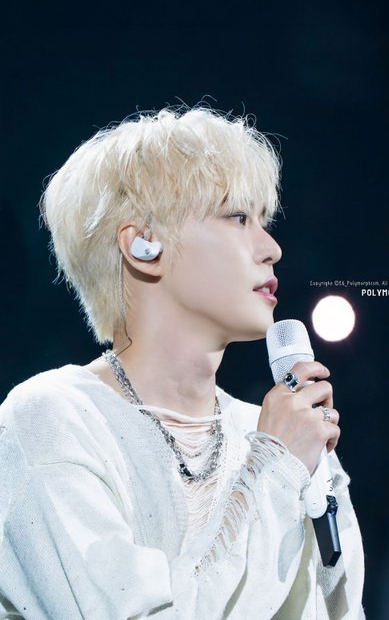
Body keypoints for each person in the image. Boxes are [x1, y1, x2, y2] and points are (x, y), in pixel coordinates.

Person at [0, 105, 365, 619]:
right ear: (143, 245)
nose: (272, 248)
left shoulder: (276, 432)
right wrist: (274, 470)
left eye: (264, 221)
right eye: (238, 217)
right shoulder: (52, 420)